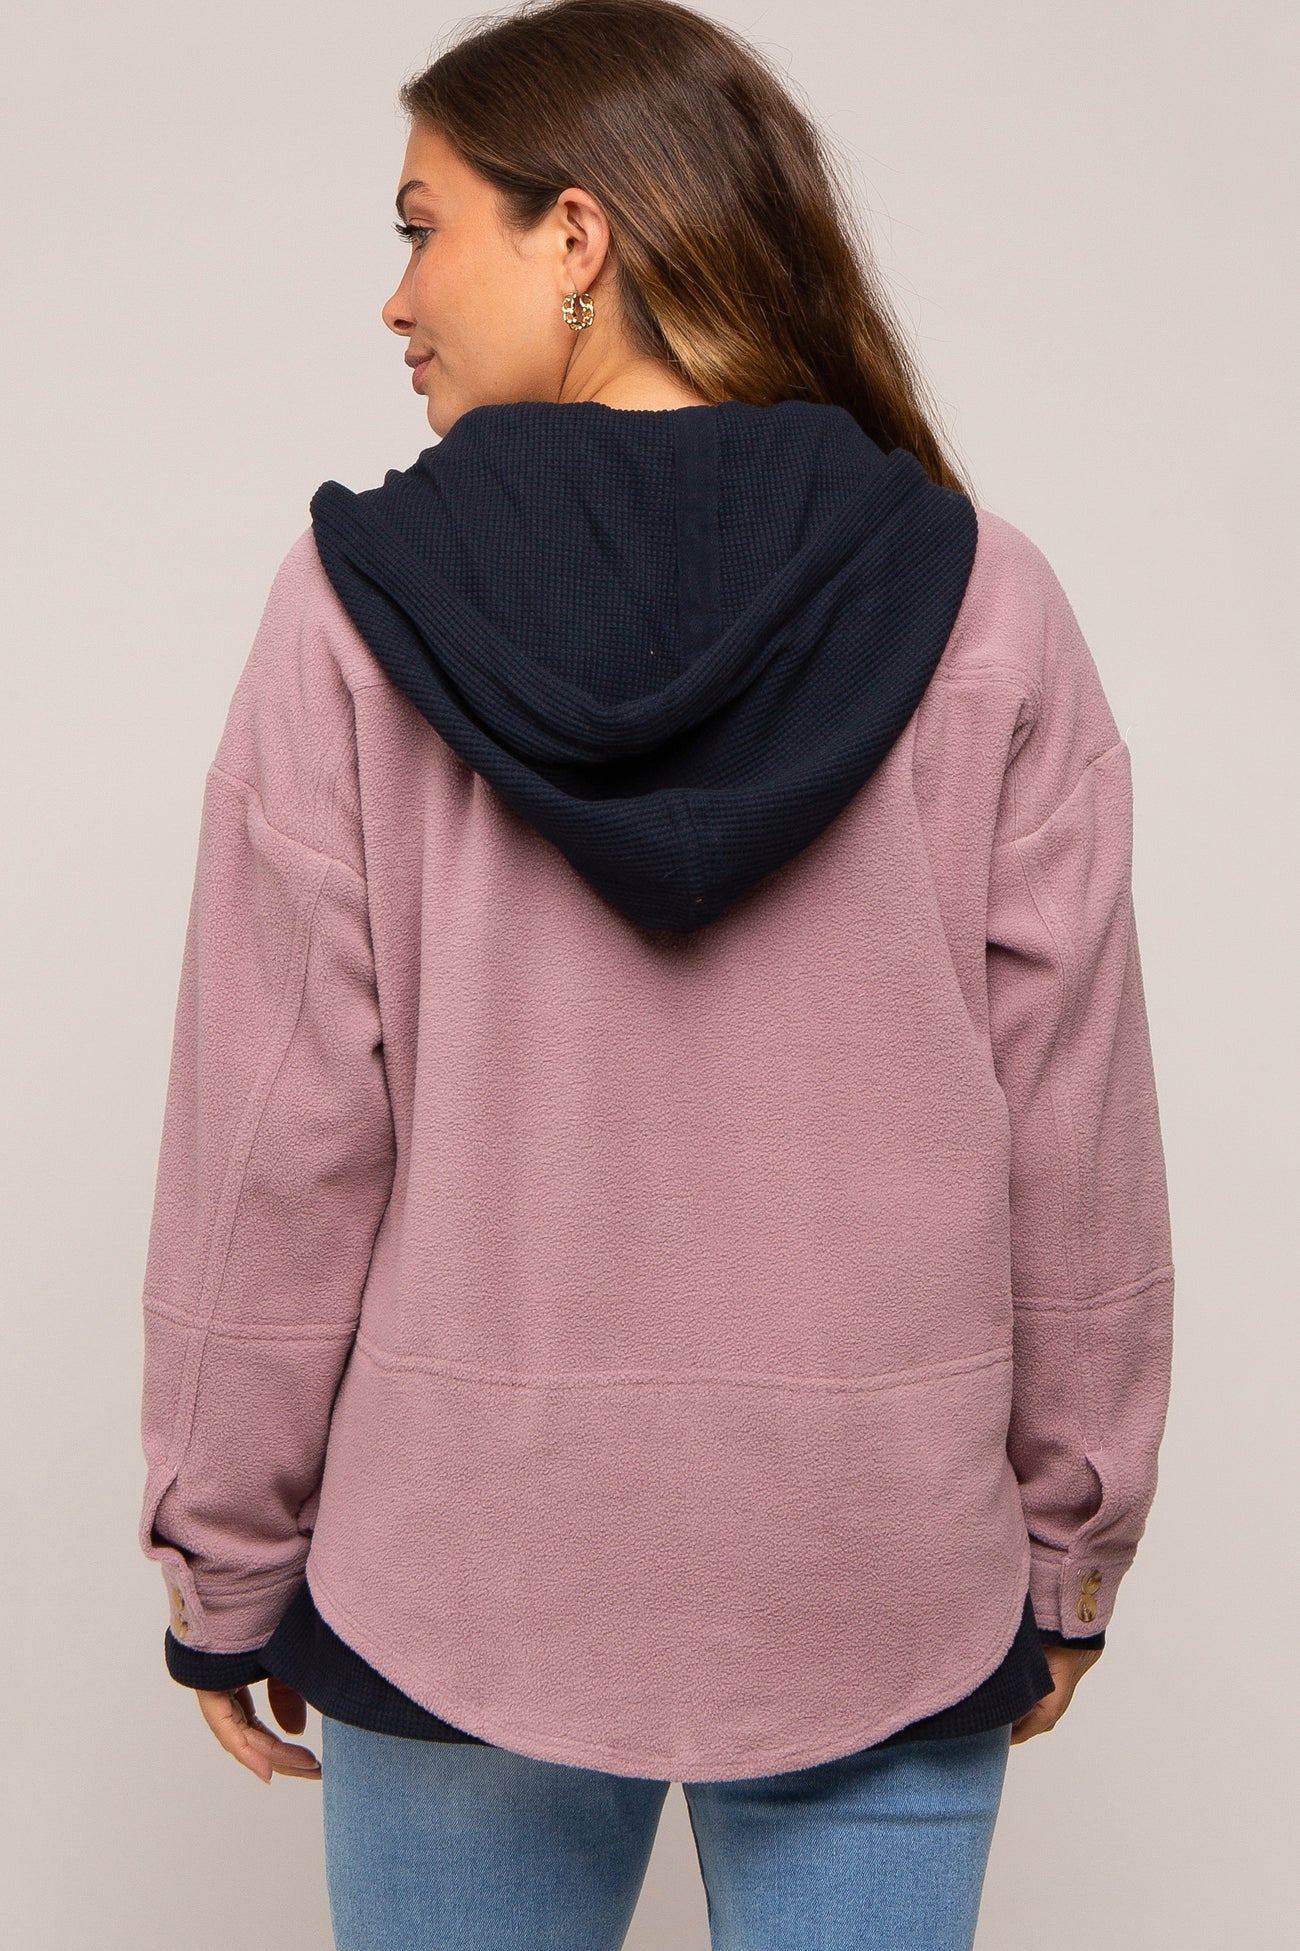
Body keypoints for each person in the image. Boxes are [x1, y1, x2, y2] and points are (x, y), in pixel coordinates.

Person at [136, 2, 1175, 1946]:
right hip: (876, 1563)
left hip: (465, 1573)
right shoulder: (981, 598)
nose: (394, 300)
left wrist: (226, 1557)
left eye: (420, 227)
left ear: (577, 236)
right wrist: (1071, 1540)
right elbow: (1075, 1129)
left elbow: (274, 1135)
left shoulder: (351, 614)